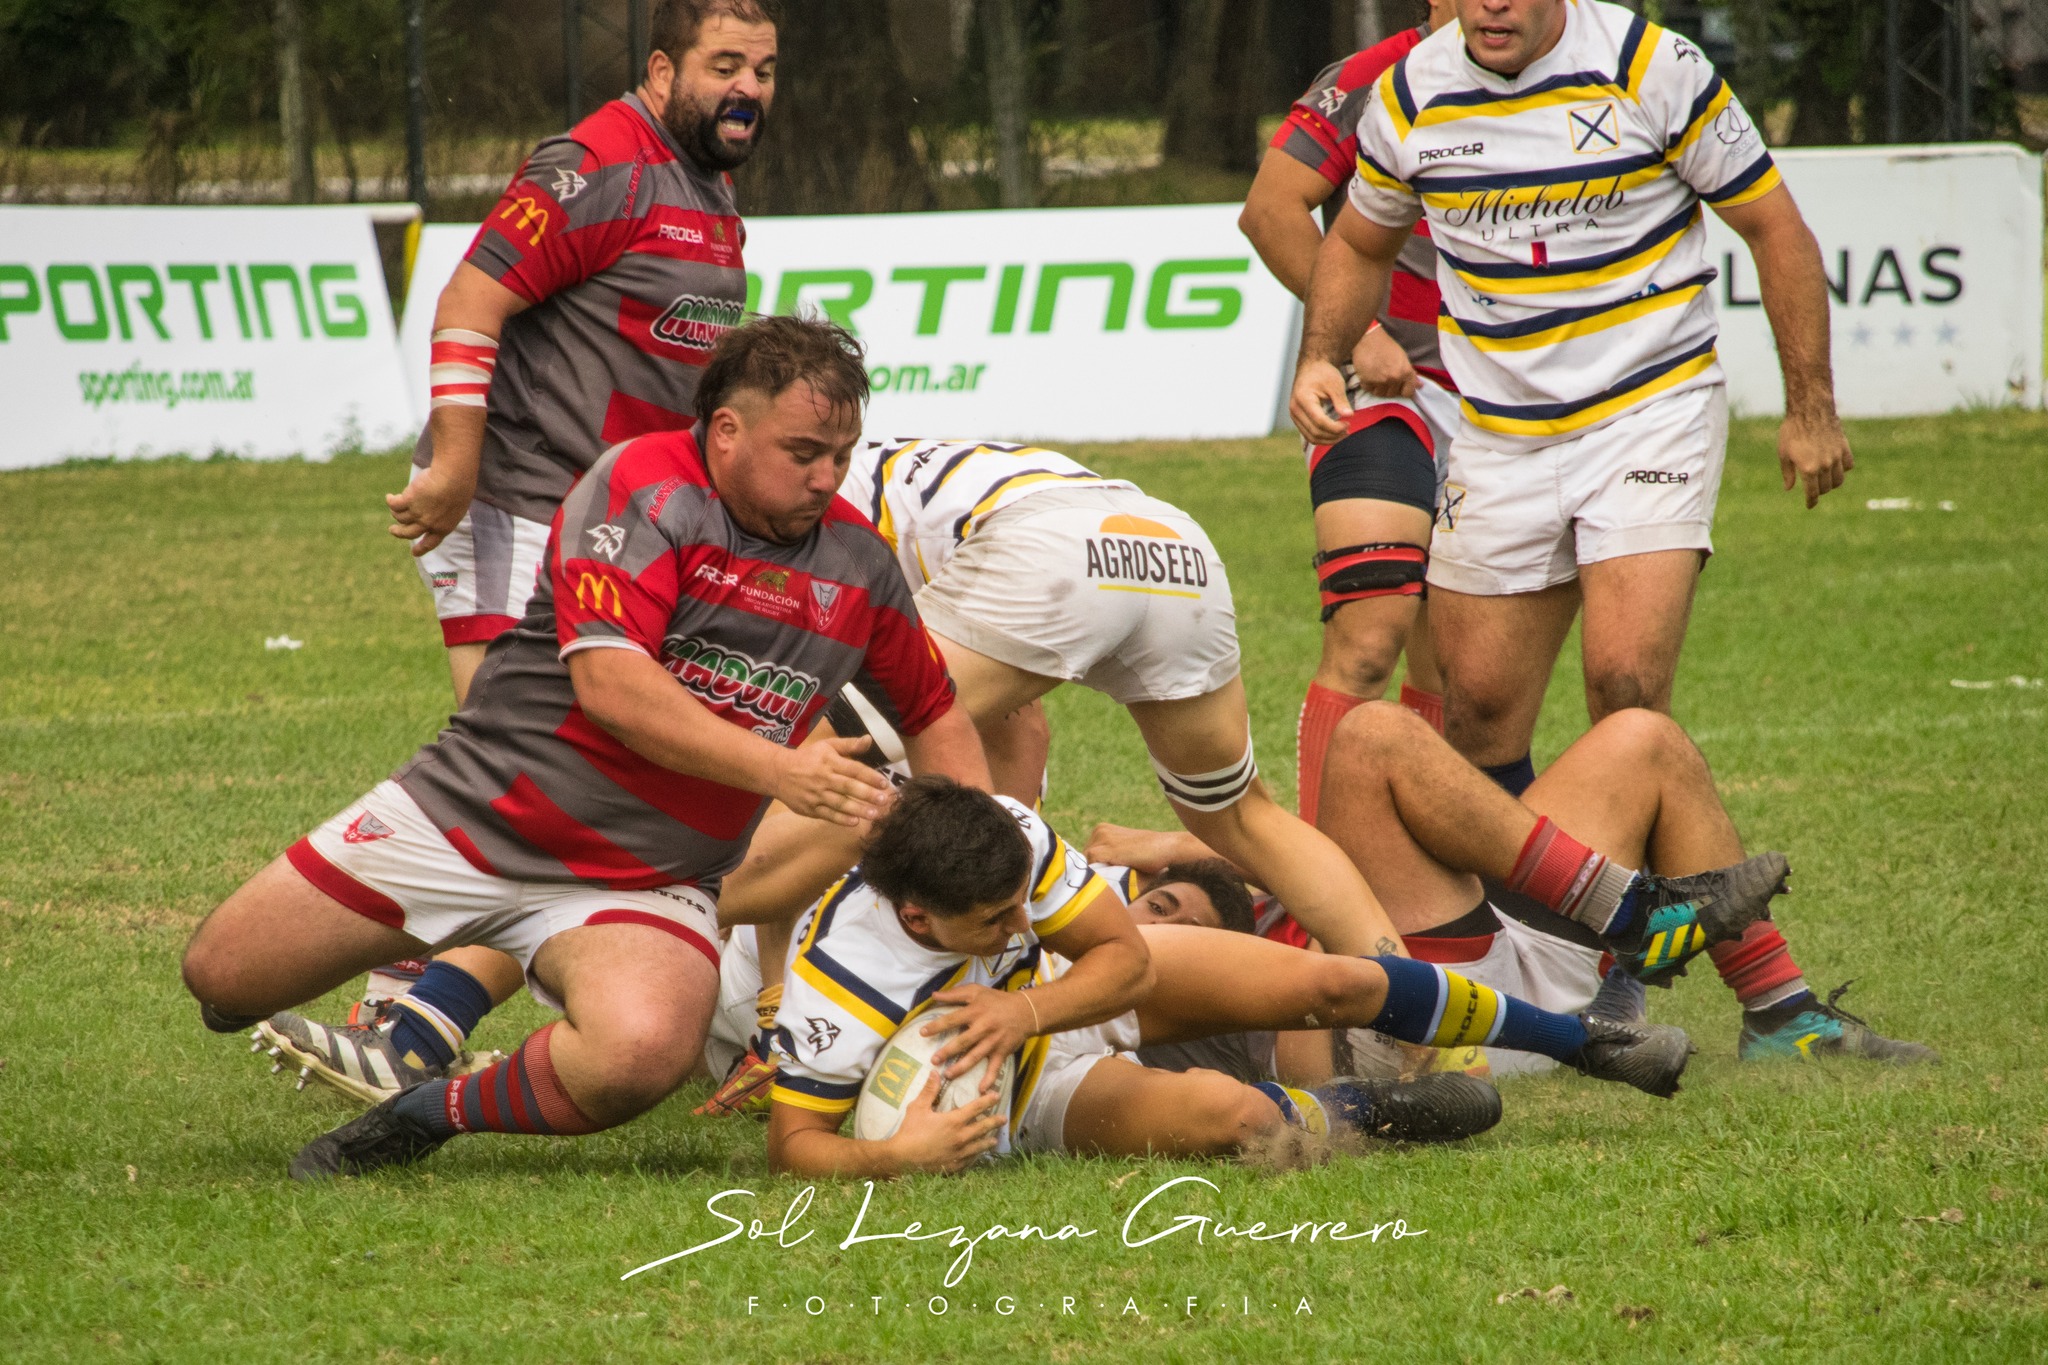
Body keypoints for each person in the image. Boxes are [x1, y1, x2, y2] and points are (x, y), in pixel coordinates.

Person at [180, 317, 991, 1180]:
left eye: (841, 453)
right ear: (726, 430)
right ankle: (367, 985)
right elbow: (614, 687)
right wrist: (783, 769)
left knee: (641, 1053)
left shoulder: (859, 566)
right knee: (223, 976)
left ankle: (430, 1107)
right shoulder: (644, 486)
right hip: (472, 812)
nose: (827, 477)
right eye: (803, 451)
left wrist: (993, 853)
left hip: (651, 880)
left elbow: (936, 713)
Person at [1290, 0, 1855, 800]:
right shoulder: (1411, 94)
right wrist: (1322, 354)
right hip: (1497, 429)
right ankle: (1508, 923)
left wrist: (1812, 408)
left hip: (1649, 411)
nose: (1493, 4)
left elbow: (1775, 228)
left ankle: (1648, 917)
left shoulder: (1652, 67)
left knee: (1625, 685)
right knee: (1477, 710)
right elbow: (1356, 240)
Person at [349, 0, 782, 1021]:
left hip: (611, 519)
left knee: (604, 750)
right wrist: (456, 463)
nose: (749, 91)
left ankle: (506, 964)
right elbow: (470, 301)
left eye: (764, 71)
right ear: (663, 68)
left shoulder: (708, 189)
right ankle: (408, 979)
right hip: (517, 495)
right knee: (519, 750)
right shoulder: (594, 162)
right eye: (726, 65)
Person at [765, 778, 1700, 1177]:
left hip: (1051, 1000)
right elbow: (792, 1144)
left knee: (1333, 979)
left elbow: (1123, 958)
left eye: (1023, 903)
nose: (1022, 924)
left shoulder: (1005, 835)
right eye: (996, 922)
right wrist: (891, 1158)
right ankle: (1369, 1111)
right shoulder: (841, 988)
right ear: (918, 919)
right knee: (1242, 1119)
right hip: (1019, 1087)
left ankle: (1587, 1042)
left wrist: (1027, 1000)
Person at [1090, 703, 1938, 1066]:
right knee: (1372, 739)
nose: (1157, 909)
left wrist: (1181, 851)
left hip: (1474, 925)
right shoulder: (1094, 984)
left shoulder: (1085, 894)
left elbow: (1284, 852)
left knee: (1642, 740)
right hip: (1417, 1001)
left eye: (1161, 900)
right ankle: (1629, 918)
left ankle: (1783, 1016)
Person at [837, 437, 1411, 963]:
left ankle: (777, 990)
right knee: (1242, 815)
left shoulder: (794, 484)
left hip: (1050, 549)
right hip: (1169, 543)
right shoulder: (847, 456)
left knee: (817, 745)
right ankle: (1414, 1013)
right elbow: (1019, 729)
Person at [1240, 0, 1461, 826]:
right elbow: (1269, 210)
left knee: (1460, 676)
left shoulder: (1566, 84)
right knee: (1370, 638)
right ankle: (1325, 883)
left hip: (1507, 404)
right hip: (1381, 394)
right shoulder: (1372, 81)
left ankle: (1436, 890)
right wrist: (1358, 334)